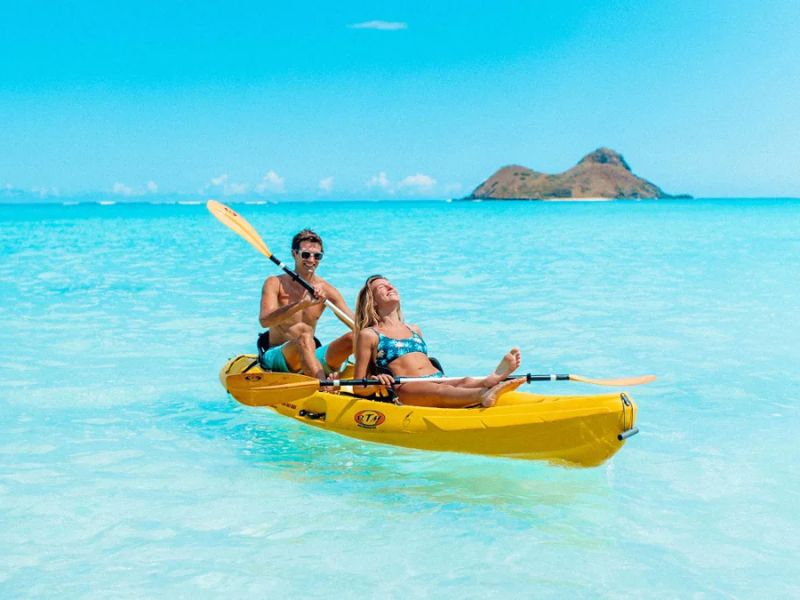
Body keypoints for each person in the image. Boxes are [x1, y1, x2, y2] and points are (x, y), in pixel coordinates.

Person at [352, 275, 525, 408]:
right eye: (382, 287)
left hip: (438, 378)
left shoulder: (414, 329)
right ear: (372, 301)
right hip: (407, 387)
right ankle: (482, 394)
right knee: (441, 391)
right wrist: (377, 382)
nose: (390, 286)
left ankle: (489, 381)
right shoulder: (370, 334)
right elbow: (358, 386)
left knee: (462, 381)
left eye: (390, 283)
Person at [258, 229, 354, 380]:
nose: (311, 260)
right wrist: (300, 305)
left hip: (311, 353)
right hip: (278, 356)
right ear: (294, 254)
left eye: (317, 256)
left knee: (354, 337)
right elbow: (265, 321)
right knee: (304, 338)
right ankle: (323, 387)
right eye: (305, 254)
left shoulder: (326, 289)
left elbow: (355, 324)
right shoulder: (275, 283)